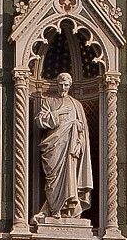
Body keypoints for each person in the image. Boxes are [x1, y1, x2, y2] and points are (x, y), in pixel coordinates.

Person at [33, 73, 93, 222]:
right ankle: (53, 209)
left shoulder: (76, 104)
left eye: (66, 85)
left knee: (70, 177)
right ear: (57, 84)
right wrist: (57, 113)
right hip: (54, 146)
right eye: (61, 84)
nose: (63, 87)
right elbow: (39, 120)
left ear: (70, 85)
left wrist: (79, 142)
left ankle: (69, 208)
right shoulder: (49, 101)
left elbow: (83, 130)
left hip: (71, 148)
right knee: (52, 179)